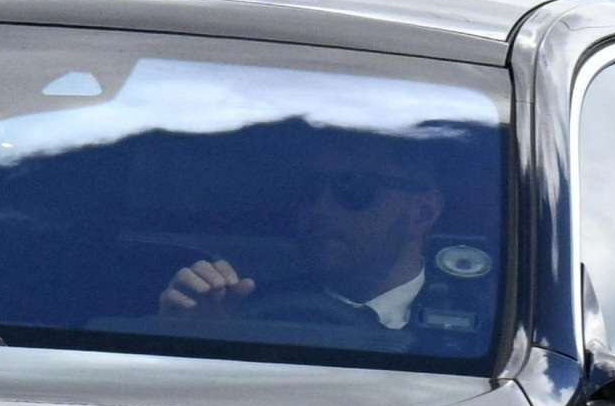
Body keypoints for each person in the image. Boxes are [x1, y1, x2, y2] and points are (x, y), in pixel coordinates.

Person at [154, 130, 451, 341]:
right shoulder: (247, 312)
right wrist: (196, 333)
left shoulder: (488, 328)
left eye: (353, 189)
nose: (320, 208)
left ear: (424, 211)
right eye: (307, 189)